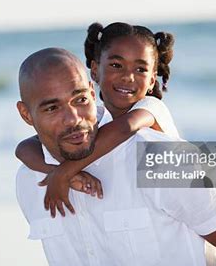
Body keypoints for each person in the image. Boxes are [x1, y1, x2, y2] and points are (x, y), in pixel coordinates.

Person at [15, 47, 216, 266]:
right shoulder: (29, 182)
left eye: (80, 99)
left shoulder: (158, 158)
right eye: (52, 108)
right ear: (26, 115)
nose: (73, 119)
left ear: (93, 93)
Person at [16, 22, 180, 217]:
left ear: (152, 79)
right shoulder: (96, 118)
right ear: (94, 71)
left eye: (140, 70)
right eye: (116, 65)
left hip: (180, 178)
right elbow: (24, 148)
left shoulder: (150, 108)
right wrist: (52, 171)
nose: (128, 77)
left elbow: (125, 128)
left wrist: (64, 173)